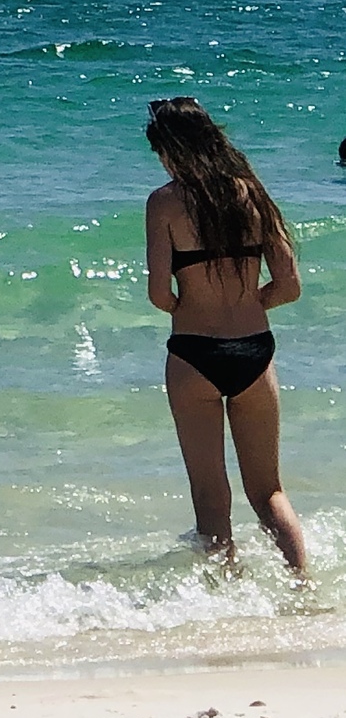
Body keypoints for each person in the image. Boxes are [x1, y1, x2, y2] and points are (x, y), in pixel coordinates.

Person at [144, 96, 305, 571]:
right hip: (255, 351)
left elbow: (158, 293)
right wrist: (248, 305)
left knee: (211, 499)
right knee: (269, 492)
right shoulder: (252, 193)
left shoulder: (164, 202)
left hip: (194, 354)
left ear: (172, 150)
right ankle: (304, 590)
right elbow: (289, 286)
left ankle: (225, 600)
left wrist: (190, 309)